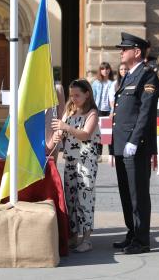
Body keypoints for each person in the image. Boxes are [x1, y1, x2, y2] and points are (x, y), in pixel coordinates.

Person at [111, 32, 159, 254]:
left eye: (124, 48)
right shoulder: (129, 75)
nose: (121, 52)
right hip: (122, 145)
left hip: (135, 145)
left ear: (137, 52)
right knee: (125, 192)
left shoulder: (147, 76)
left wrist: (135, 140)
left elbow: (145, 113)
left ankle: (142, 240)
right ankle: (132, 232)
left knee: (137, 193)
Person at [51, 79, 101, 253]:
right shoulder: (69, 110)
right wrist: (57, 136)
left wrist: (66, 127)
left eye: (77, 95)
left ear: (87, 94)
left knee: (85, 198)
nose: (73, 99)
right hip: (71, 161)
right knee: (71, 198)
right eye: (71, 95)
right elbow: (60, 130)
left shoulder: (92, 113)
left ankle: (87, 238)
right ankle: (73, 236)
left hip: (86, 163)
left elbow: (86, 134)